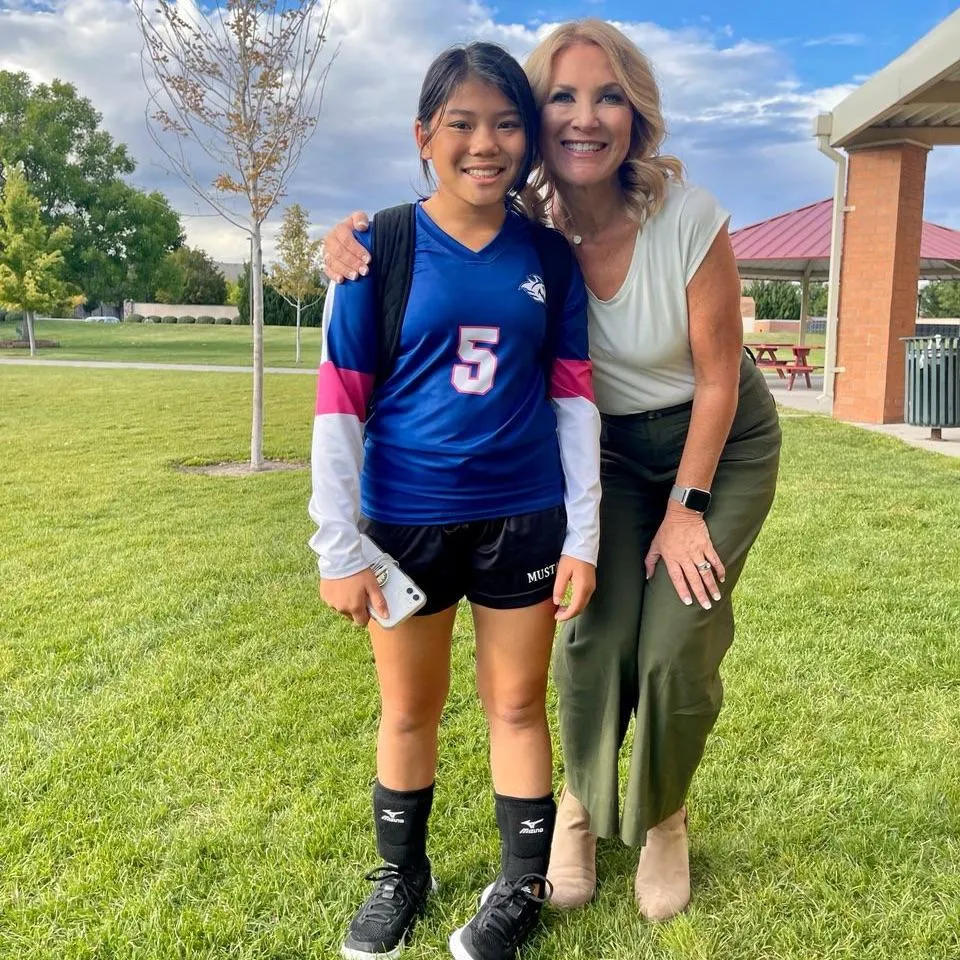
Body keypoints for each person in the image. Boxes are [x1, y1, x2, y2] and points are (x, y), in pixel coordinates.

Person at [322, 18, 782, 926]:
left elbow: (720, 380)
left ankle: (663, 817)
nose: (585, 117)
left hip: (714, 446)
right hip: (600, 452)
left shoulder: (687, 217)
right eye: (562, 97)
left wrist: (685, 508)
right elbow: (437, 237)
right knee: (592, 641)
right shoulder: (528, 227)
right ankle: (576, 807)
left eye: (608, 96)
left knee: (675, 644)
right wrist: (351, 238)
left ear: (635, 114)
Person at [308, 41, 601, 960]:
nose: (486, 143)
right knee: (409, 709)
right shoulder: (379, 248)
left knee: (516, 706)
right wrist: (337, 548)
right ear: (424, 136)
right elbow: (339, 406)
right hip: (405, 522)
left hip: (524, 517)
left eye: (507, 124)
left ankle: (520, 886)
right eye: (462, 123)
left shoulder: (549, 258)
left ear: (528, 140)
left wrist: (584, 536)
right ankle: (402, 876)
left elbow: (574, 400)